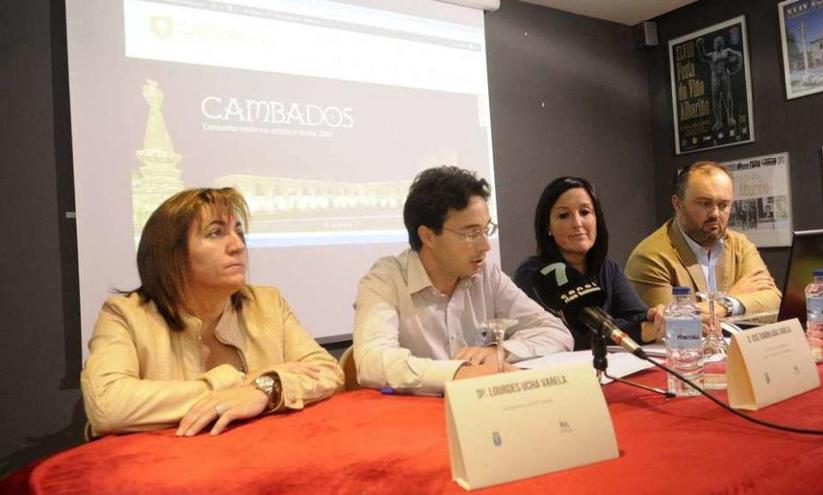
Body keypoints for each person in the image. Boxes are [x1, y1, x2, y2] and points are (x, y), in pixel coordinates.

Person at [81, 188, 343, 437]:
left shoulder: (267, 303)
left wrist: (264, 390)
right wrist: (236, 382)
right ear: (171, 255)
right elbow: (107, 405)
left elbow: (327, 372)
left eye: (238, 232)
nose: (238, 245)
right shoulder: (125, 316)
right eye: (216, 233)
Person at [353, 166, 573, 394]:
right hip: (417, 418)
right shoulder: (386, 279)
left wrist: (501, 351)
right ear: (427, 236)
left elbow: (556, 332)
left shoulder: (487, 275)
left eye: (486, 230)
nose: (485, 246)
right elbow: (372, 360)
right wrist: (458, 373)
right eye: (471, 234)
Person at [514, 177, 664, 350]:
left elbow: (637, 316)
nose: (577, 223)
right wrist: (640, 330)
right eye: (564, 215)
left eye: (585, 212)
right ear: (548, 227)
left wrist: (655, 316)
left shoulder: (608, 268)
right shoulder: (534, 274)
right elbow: (567, 336)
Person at [625, 161, 781, 318]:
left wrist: (724, 305)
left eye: (723, 205)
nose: (715, 214)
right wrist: (728, 302)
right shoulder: (650, 257)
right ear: (677, 203)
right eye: (705, 204)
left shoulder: (740, 244)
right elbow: (674, 322)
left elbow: (773, 299)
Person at [696, 35, 743, 132]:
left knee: (727, 97)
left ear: (722, 43)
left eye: (718, 42)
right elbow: (703, 57)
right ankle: (718, 121)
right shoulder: (712, 55)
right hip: (715, 78)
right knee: (716, 100)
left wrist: (735, 68)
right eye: (715, 42)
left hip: (724, 76)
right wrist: (700, 46)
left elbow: (739, 55)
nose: (716, 43)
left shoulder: (727, 52)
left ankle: (730, 117)